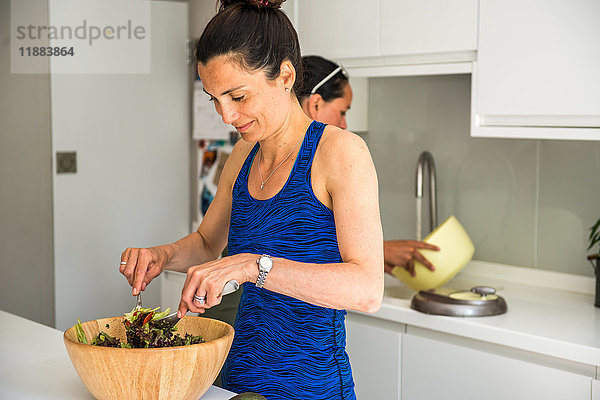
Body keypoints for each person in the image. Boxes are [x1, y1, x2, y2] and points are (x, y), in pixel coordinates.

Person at [119, 1, 382, 399]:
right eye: (214, 99)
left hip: (311, 388)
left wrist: (252, 266)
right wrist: (163, 255)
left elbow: (366, 288)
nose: (226, 115)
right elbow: (209, 243)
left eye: (237, 97)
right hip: (239, 384)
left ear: (285, 76)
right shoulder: (243, 155)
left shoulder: (340, 153)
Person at [297, 55, 439, 276]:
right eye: (342, 112)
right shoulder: (275, 161)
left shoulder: (312, 161)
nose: (344, 125)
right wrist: (375, 252)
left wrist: (363, 260)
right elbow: (282, 245)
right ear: (315, 104)